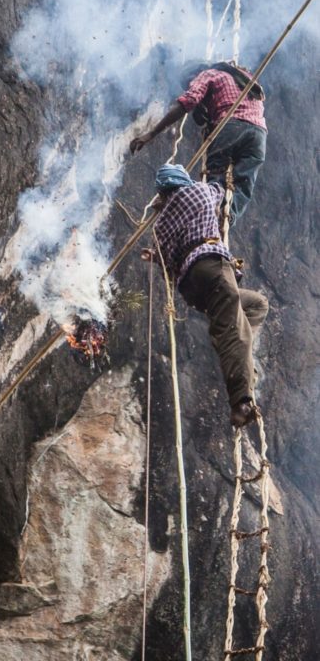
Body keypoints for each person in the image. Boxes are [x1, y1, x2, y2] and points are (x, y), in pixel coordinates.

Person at [143, 163, 268, 427]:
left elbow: (165, 260)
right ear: (182, 182)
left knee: (256, 305)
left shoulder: (161, 223)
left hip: (192, 287)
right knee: (235, 331)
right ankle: (241, 402)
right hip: (211, 266)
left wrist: (156, 253)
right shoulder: (198, 192)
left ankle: (233, 342)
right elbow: (219, 191)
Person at [129, 61, 267, 222]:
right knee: (244, 182)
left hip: (231, 125)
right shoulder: (244, 79)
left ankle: (213, 215)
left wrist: (151, 134)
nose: (190, 84)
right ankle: (229, 216)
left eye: (189, 81)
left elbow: (188, 101)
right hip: (259, 134)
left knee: (215, 174)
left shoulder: (208, 73)